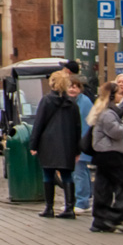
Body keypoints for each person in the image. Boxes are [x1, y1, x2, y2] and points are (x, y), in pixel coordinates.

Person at [30, 69, 82, 219]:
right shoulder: (72, 103)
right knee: (67, 174)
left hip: (48, 143)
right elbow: (77, 127)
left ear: (52, 83)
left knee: (48, 174)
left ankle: (49, 208)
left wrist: (33, 145)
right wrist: (77, 149)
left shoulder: (46, 100)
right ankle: (70, 208)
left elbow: (39, 123)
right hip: (67, 144)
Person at [88, 80, 123, 232]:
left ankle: (100, 220)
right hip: (111, 153)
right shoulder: (108, 113)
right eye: (118, 93)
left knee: (103, 187)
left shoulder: (103, 110)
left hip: (103, 154)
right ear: (111, 96)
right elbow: (117, 132)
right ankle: (114, 216)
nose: (120, 96)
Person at [69, 77, 94, 214]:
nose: (72, 89)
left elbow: (84, 125)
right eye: (70, 86)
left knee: (80, 172)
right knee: (76, 172)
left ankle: (82, 201)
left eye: (75, 87)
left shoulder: (84, 102)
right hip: (73, 143)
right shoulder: (71, 101)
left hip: (81, 143)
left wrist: (80, 145)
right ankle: (76, 199)